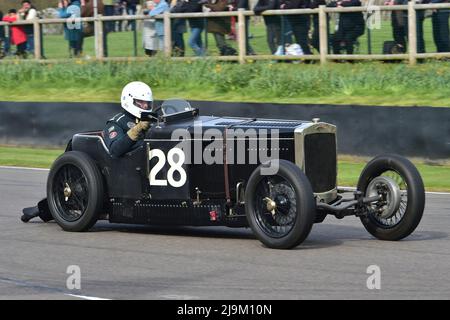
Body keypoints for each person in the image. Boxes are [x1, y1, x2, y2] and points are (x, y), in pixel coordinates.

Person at [103, 81, 154, 158]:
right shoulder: (117, 122)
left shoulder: (151, 118)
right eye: (140, 102)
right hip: (132, 163)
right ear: (129, 100)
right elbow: (114, 151)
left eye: (147, 102)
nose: (146, 106)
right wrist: (137, 129)